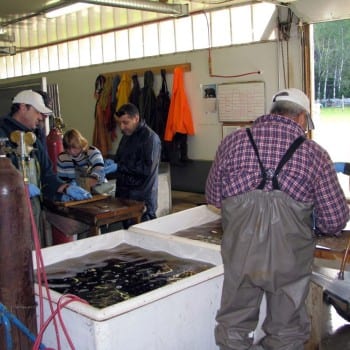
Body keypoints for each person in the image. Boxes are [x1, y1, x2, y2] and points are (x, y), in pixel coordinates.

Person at [205, 88, 350, 350]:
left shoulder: (232, 142)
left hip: (242, 257)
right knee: (287, 332)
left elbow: (214, 198)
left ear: (273, 112)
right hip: (290, 262)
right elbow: (335, 220)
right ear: (302, 118)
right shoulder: (315, 154)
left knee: (234, 327)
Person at [0, 90, 92, 246]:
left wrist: (64, 188)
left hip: (32, 212)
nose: (41, 118)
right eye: (38, 112)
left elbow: (47, 174)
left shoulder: (34, 139)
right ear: (23, 107)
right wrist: (16, 187)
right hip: (6, 215)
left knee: (32, 255)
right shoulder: (2, 133)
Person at [112, 103, 161, 228]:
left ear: (136, 118)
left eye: (125, 122)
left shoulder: (150, 138)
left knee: (144, 239)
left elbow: (146, 170)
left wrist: (119, 167)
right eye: (119, 123)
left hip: (142, 199)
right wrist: (110, 165)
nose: (122, 127)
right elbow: (119, 159)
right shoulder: (126, 136)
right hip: (125, 197)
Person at [57, 128, 115, 194]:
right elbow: (61, 182)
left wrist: (93, 178)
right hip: (77, 193)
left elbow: (99, 169)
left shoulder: (92, 152)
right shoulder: (62, 158)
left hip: (99, 191)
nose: (72, 151)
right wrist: (68, 188)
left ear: (80, 143)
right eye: (68, 148)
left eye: (74, 147)